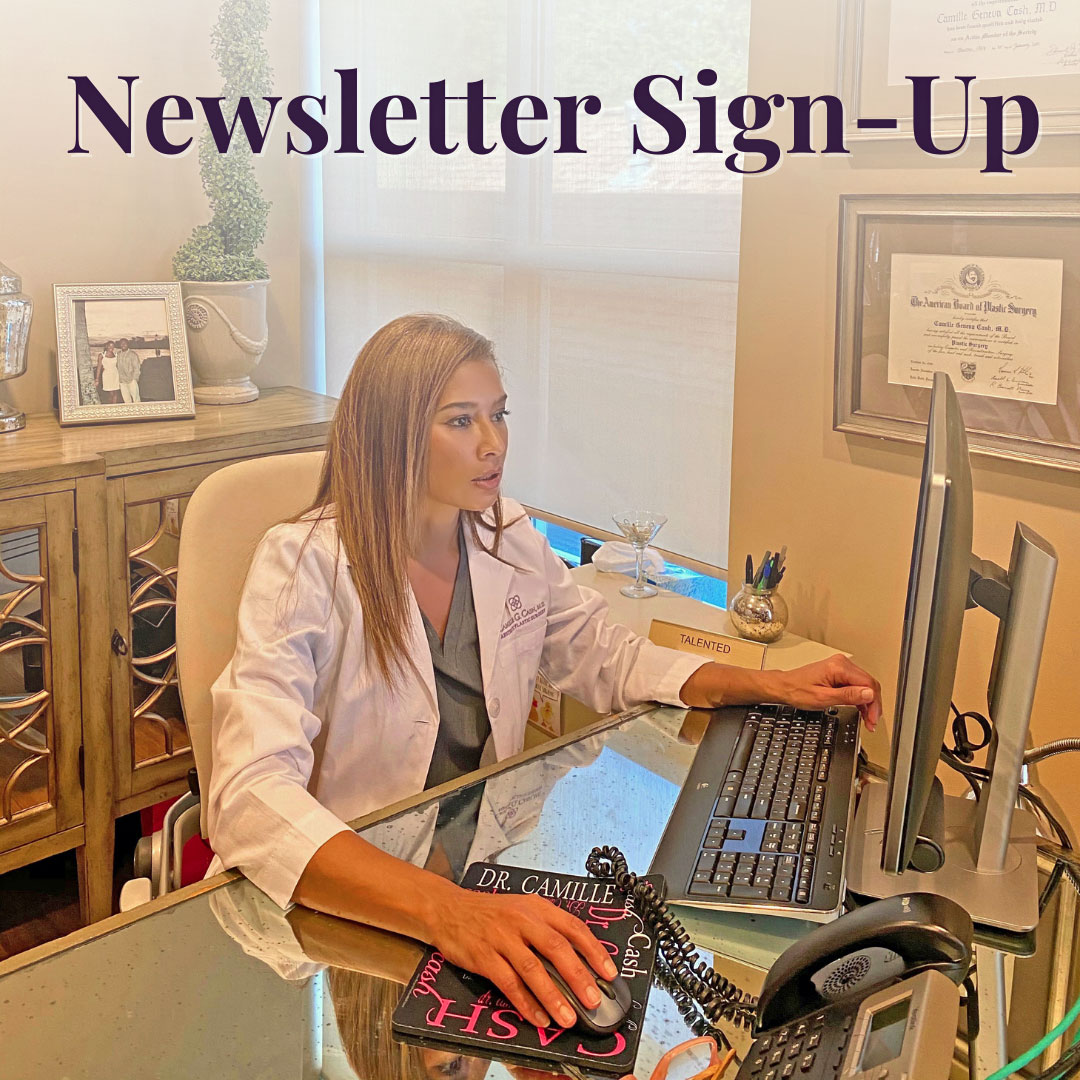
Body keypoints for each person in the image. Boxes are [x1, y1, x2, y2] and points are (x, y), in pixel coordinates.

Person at [208, 314, 882, 1035]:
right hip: (355, 899)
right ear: (392, 433)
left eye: (498, 415)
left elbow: (602, 653)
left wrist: (759, 681)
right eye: (460, 421)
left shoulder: (505, 534)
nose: (493, 443)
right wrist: (445, 910)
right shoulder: (303, 565)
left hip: (481, 861)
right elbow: (249, 797)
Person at [116, 338, 142, 403]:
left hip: (131, 380)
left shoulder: (133, 354)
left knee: (136, 400)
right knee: (126, 400)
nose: (123, 345)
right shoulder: (118, 354)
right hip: (122, 381)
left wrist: (134, 379)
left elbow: (137, 368)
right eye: (121, 343)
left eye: (125, 343)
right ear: (120, 345)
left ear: (128, 344)